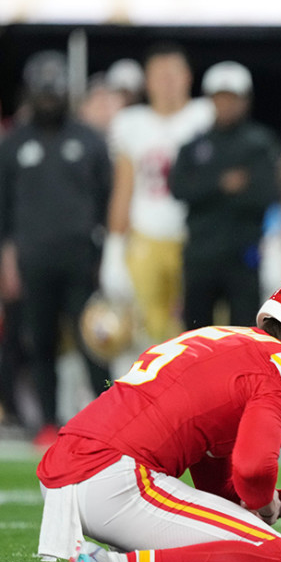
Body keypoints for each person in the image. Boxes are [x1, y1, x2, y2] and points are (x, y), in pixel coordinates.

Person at [37, 273, 281, 562]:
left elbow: (229, 499)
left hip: (69, 470)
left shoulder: (225, 342)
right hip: (113, 477)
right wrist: (263, 498)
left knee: (256, 543)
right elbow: (254, 472)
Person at [0, 51, 113, 445]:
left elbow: (106, 199)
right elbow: (4, 208)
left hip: (82, 257)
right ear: (31, 93)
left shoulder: (89, 140)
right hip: (32, 259)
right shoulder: (14, 144)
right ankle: (48, 422)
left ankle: (110, 420)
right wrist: (7, 259)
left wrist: (106, 255)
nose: (49, 97)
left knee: (93, 341)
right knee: (39, 341)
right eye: (43, 91)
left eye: (54, 90)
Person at [102, 42, 213, 347]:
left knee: (197, 334)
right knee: (145, 335)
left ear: (188, 77)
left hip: (196, 240)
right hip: (146, 237)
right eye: (159, 75)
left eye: (173, 74)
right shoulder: (130, 123)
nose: (166, 83)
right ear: (146, 81)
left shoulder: (205, 116)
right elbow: (123, 188)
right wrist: (113, 249)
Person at [170, 61, 281, 330]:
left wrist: (206, 190)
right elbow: (177, 188)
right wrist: (221, 184)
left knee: (244, 334)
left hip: (243, 255)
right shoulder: (194, 144)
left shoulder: (261, 143)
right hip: (200, 255)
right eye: (220, 98)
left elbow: (267, 193)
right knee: (195, 335)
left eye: (233, 98)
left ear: (245, 101)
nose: (226, 105)